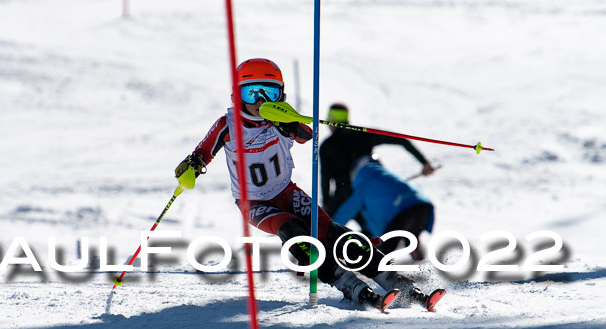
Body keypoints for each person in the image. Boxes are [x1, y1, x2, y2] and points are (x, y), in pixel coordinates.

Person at [174, 59, 444, 311]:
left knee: (336, 235)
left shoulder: (281, 120)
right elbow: (203, 152)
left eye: (267, 92)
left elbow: (306, 134)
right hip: (254, 203)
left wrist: (287, 120)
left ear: (280, 95)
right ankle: (349, 285)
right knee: (295, 231)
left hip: (287, 193)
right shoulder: (227, 125)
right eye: (251, 93)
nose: (259, 101)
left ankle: (403, 287)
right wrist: (192, 166)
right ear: (237, 95)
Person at [320, 103, 436, 258]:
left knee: (327, 228)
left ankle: (326, 256)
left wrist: (327, 202)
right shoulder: (362, 134)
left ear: (330, 121)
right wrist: (424, 162)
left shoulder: (327, 146)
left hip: (345, 194)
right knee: (377, 227)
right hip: (372, 190)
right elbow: (401, 140)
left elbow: (325, 177)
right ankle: (411, 248)